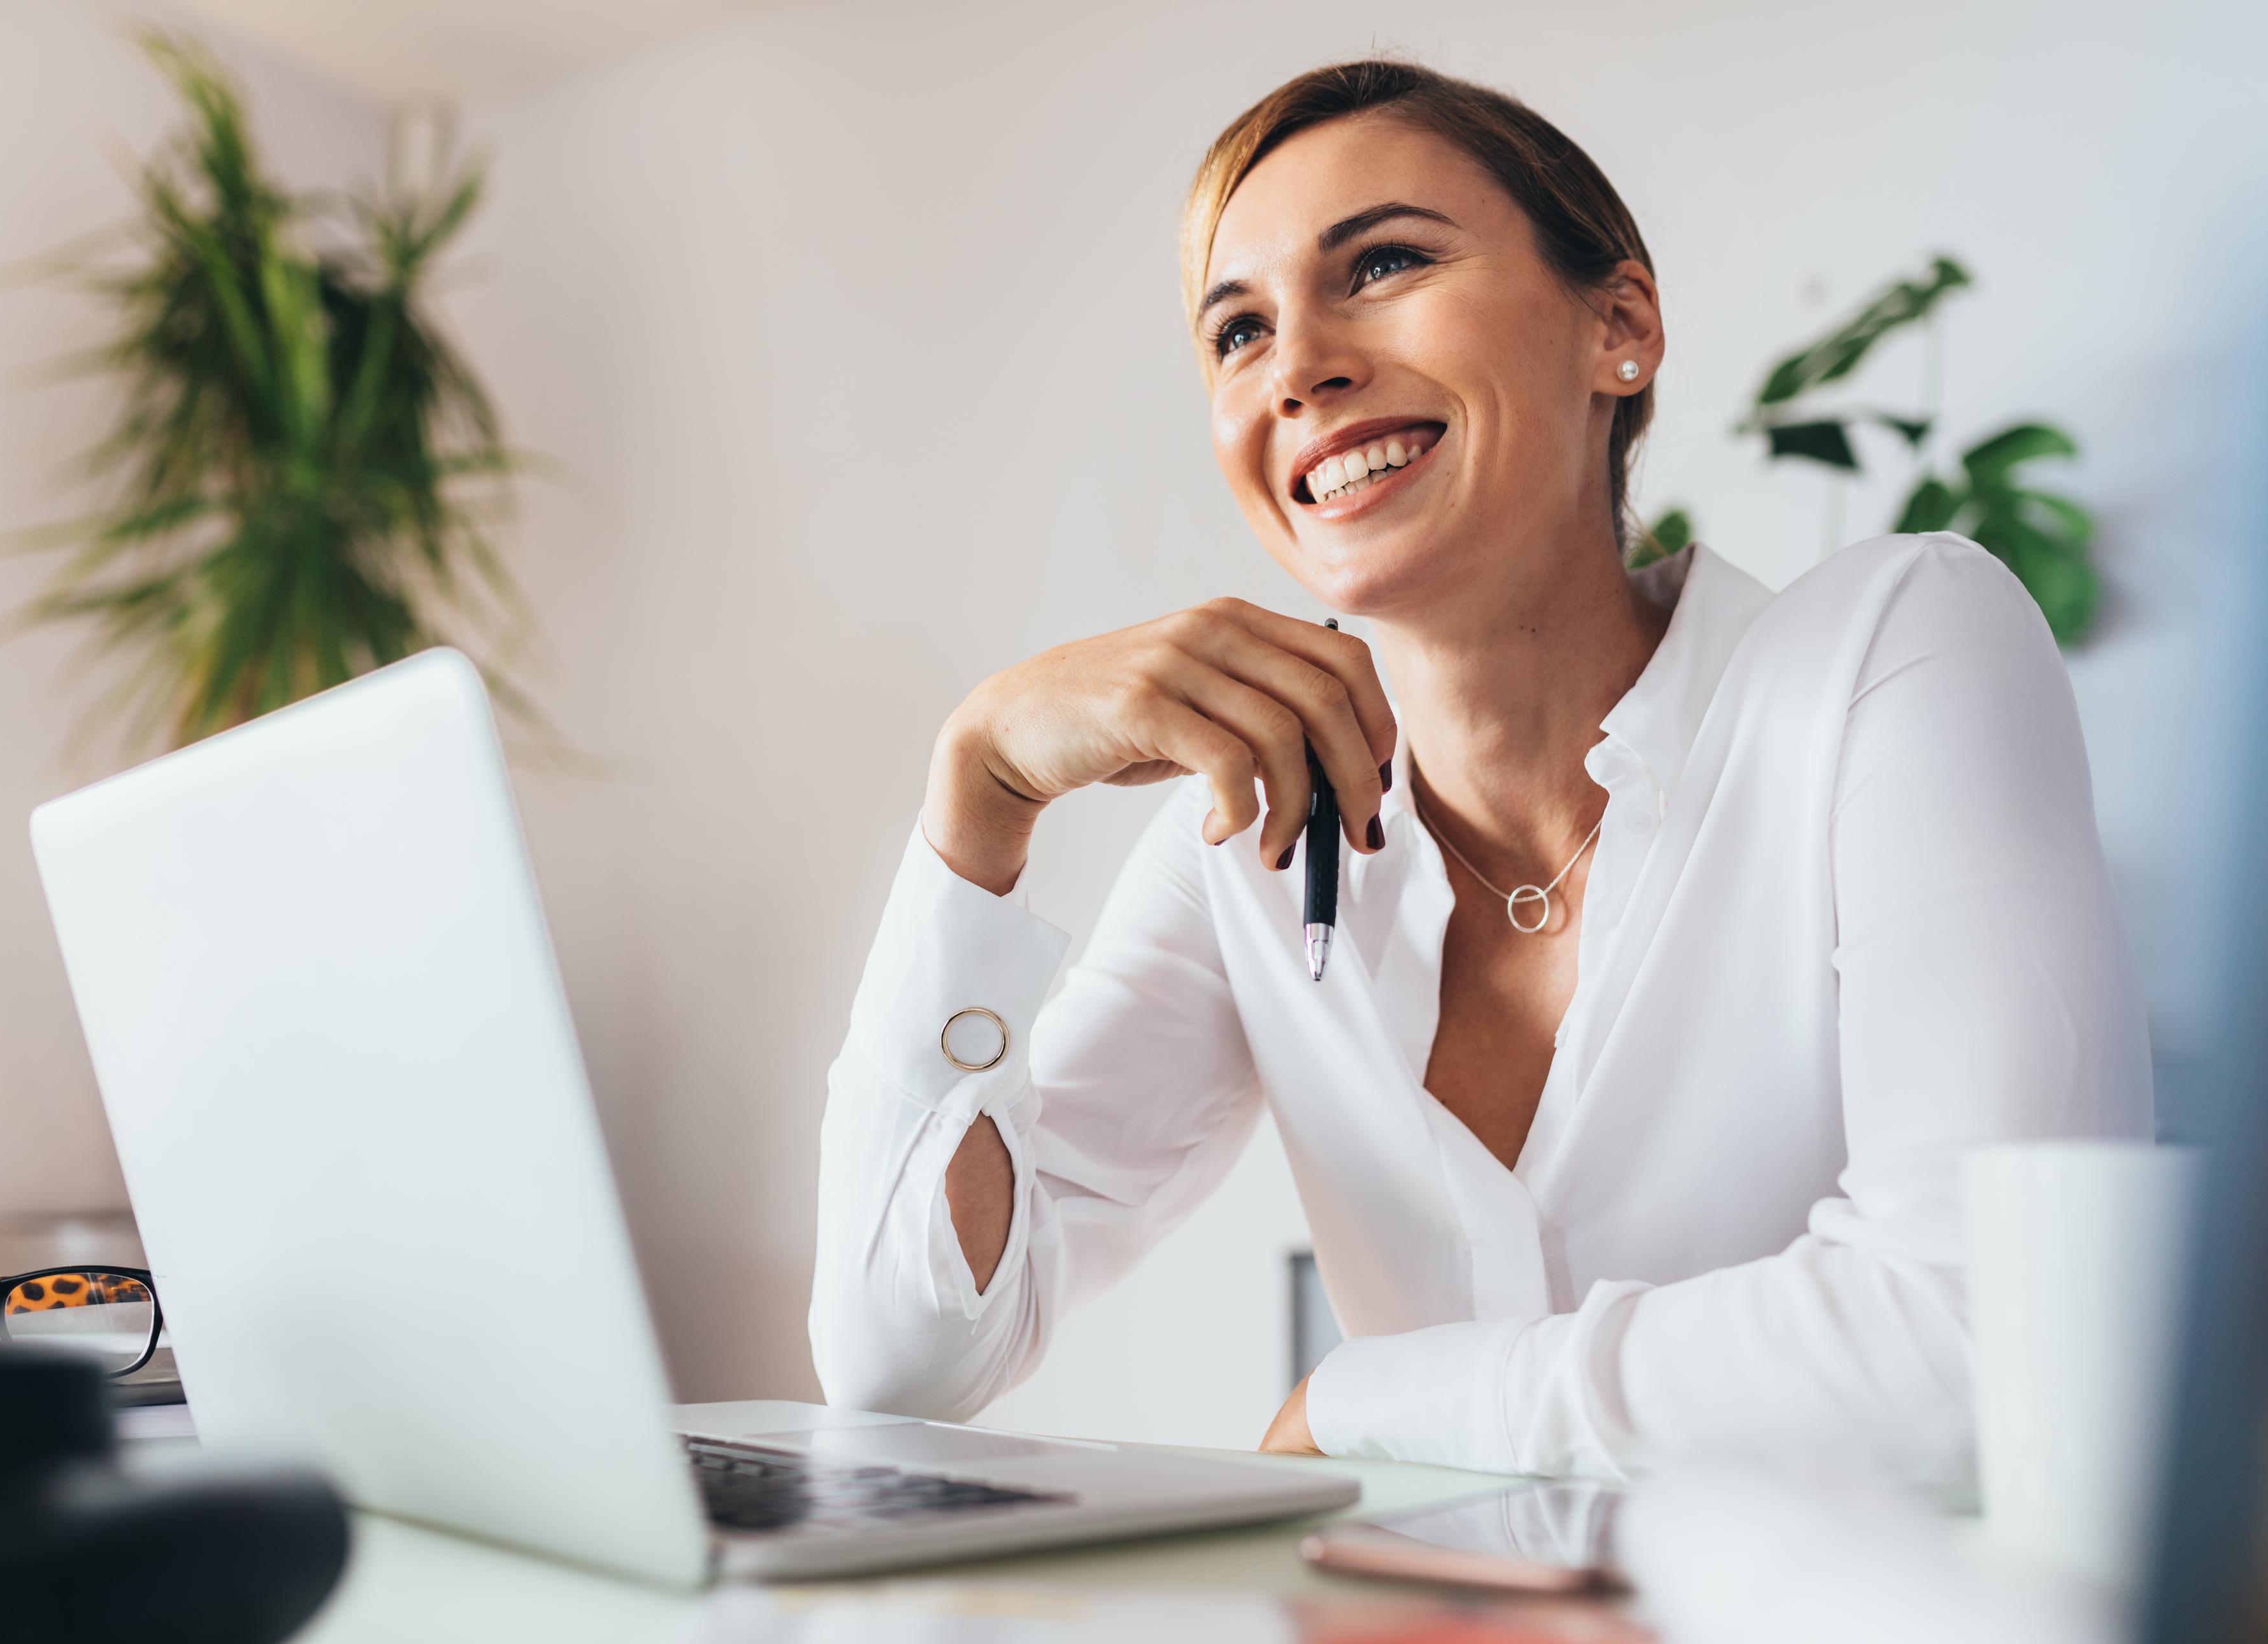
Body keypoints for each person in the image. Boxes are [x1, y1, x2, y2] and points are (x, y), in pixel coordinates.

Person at [807, 60, 2150, 1492]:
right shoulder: (1248, 842)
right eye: (1238, 332)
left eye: (1381, 263)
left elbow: (1991, 1342)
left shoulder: (1892, 645)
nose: (1298, 365)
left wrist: (1373, 1399)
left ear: (1618, 327)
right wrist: (980, 794)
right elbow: (905, 1364)